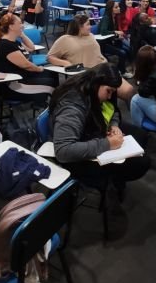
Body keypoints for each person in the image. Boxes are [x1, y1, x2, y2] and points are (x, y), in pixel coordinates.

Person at [49, 63, 150, 196]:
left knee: (141, 135)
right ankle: (114, 177)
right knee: (141, 163)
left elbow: (111, 109)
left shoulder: (92, 88)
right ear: (97, 83)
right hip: (77, 155)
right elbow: (63, 151)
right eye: (109, 91)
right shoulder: (72, 108)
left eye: (113, 92)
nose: (109, 96)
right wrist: (108, 144)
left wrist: (114, 125)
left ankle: (117, 176)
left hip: (93, 129)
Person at [48, 14, 134, 101]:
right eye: (88, 24)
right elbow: (50, 57)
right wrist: (66, 63)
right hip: (90, 75)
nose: (91, 27)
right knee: (124, 92)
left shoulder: (90, 36)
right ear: (79, 26)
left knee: (130, 91)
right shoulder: (65, 39)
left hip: (104, 70)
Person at [0, 13, 56, 100]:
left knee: (52, 73)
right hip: (14, 84)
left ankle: (46, 102)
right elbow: (26, 65)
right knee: (50, 82)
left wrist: (22, 35)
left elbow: (31, 48)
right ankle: (44, 104)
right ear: (11, 26)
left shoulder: (15, 42)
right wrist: (39, 69)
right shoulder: (5, 44)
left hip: (24, 76)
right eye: (19, 23)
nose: (22, 25)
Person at [99, 0, 132, 78]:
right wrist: (115, 32)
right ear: (111, 9)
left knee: (129, 49)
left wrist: (118, 36)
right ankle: (122, 72)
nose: (119, 8)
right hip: (104, 44)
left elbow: (113, 33)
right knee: (122, 52)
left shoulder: (115, 17)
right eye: (116, 7)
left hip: (112, 41)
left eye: (118, 6)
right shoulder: (106, 18)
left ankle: (121, 69)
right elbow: (103, 32)